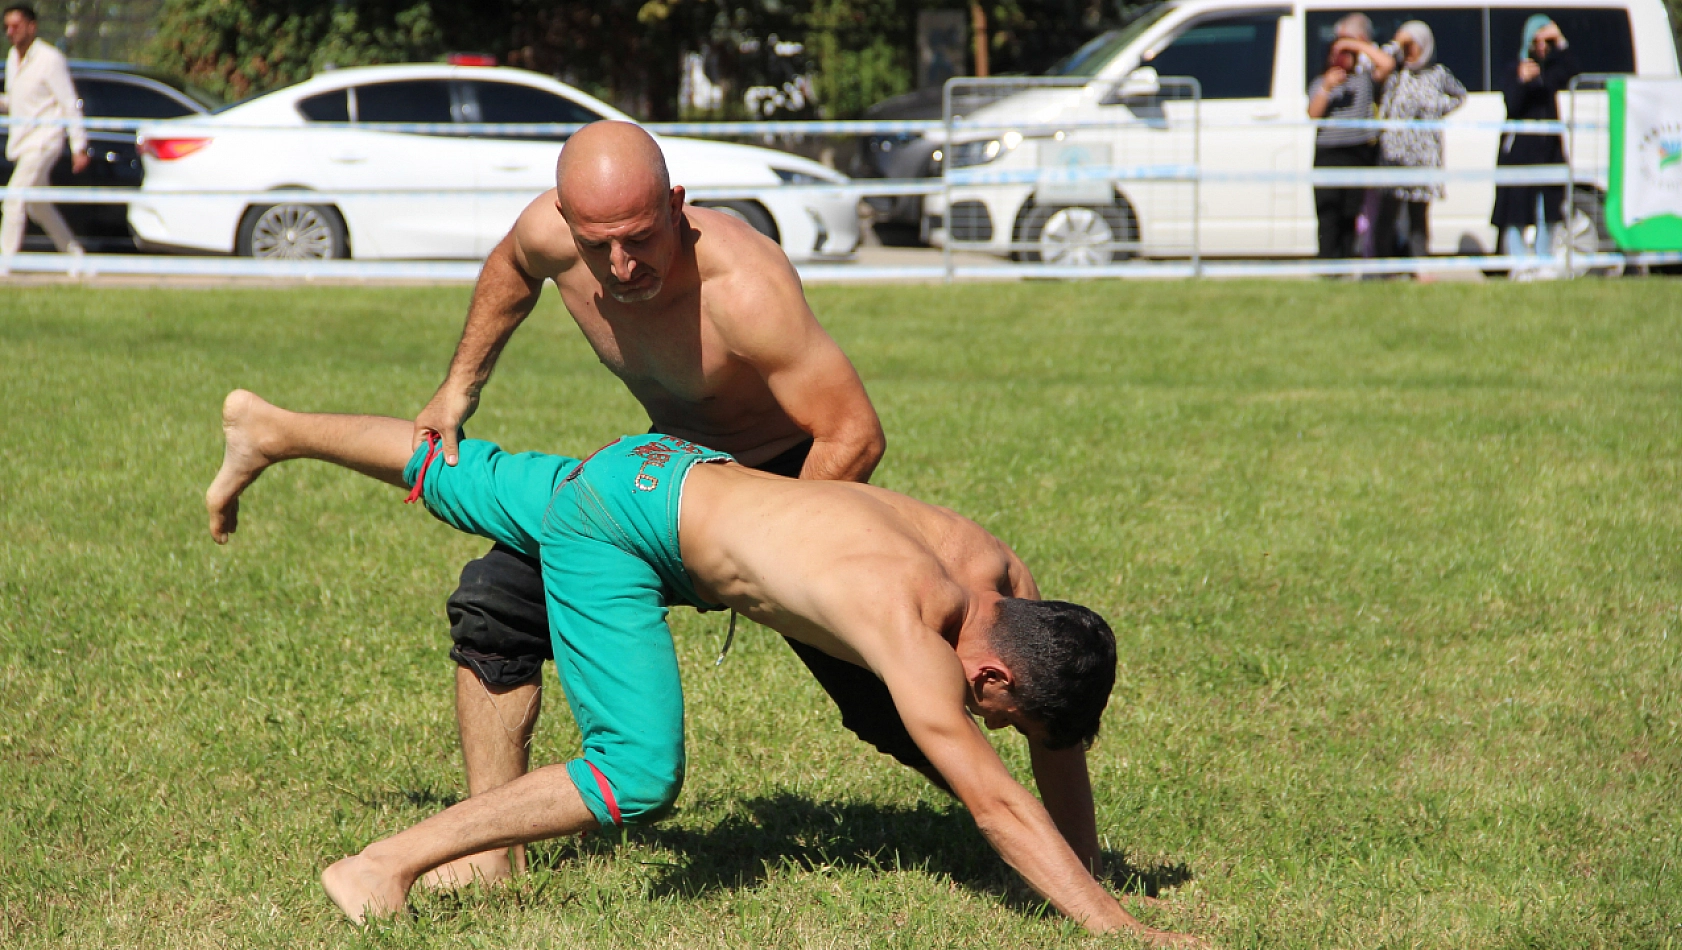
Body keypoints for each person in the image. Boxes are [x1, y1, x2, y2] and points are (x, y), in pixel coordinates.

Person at [203, 391, 1200, 947]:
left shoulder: (998, 573)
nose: (998, 733)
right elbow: (991, 802)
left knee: (462, 469)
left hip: (661, 466)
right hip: (624, 529)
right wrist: (1119, 929)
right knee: (635, 768)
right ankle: (379, 865)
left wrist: (1093, 868)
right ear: (987, 678)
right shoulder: (901, 616)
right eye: (1003, 720)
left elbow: (1056, 730)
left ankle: (271, 428)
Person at [409, 120, 896, 888]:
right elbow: (511, 266)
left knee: (889, 689)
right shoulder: (553, 234)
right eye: (599, 245)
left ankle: (1038, 832)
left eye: (639, 237)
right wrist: (460, 385)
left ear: (676, 204)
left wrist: (772, 549)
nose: (622, 264)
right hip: (665, 480)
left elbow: (853, 434)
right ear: (567, 223)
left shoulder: (743, 288)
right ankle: (487, 854)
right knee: (495, 603)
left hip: (789, 477)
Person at [0, 3, 87, 274]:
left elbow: (69, 103)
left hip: (44, 141)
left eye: (15, 26)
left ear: (32, 26)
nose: (10, 32)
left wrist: (79, 146)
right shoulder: (13, 59)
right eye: (6, 27)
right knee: (38, 206)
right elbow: (16, 102)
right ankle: (77, 259)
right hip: (23, 143)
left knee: (14, 197)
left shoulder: (50, 59)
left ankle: (5, 262)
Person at [1491, 15, 1578, 278]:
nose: (1541, 46)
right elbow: (1512, 104)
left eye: (1546, 42)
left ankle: (1544, 261)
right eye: (1537, 40)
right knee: (1515, 210)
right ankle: (1519, 262)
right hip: (1520, 154)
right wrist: (1521, 80)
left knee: (1548, 208)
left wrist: (1560, 41)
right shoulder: (1514, 69)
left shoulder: (1551, 72)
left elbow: (1572, 72)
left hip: (1548, 152)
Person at [1375, 21, 1467, 261]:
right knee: (1388, 214)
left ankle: (1419, 265)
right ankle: (1382, 268)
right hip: (1394, 155)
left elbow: (1460, 96)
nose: (1410, 51)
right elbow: (1373, 66)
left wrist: (1437, 109)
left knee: (1418, 216)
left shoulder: (1438, 74)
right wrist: (1397, 44)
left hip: (1423, 156)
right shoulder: (1396, 73)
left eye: (1413, 44)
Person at [1306, 15, 1395, 260]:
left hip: (1357, 152)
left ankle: (1344, 263)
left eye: (1346, 51)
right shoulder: (1320, 82)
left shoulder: (1365, 79)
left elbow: (1386, 65)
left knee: (1350, 214)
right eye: (1337, 51)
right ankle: (1327, 264)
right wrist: (1327, 88)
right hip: (1328, 153)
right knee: (1328, 214)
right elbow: (1313, 114)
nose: (1341, 56)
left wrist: (1355, 44)